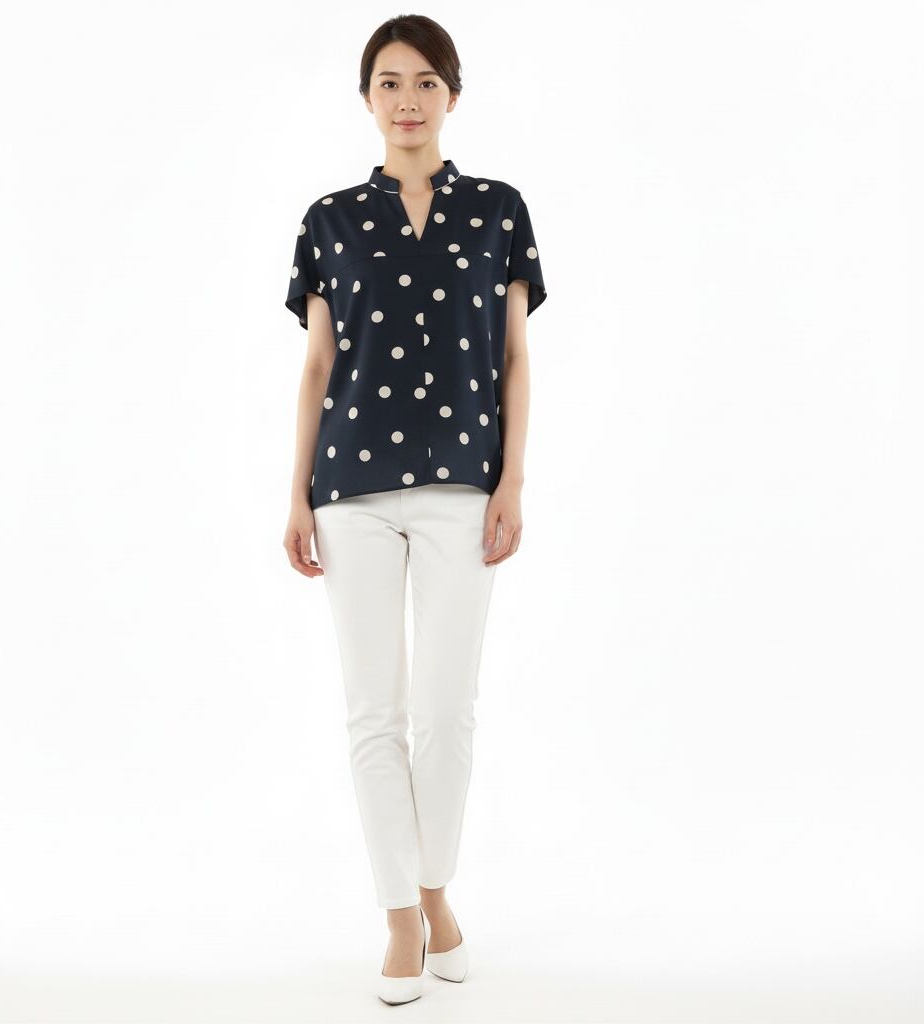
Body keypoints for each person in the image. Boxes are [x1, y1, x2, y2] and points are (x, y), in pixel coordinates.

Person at [282, 14, 547, 1005]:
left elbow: (514, 357)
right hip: (350, 492)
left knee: (445, 713)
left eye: (425, 82)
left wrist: (511, 480)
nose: (406, 99)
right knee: (373, 711)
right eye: (389, 82)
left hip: (461, 489)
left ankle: (435, 890)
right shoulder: (329, 219)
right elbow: (318, 365)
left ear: (452, 95)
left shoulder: (499, 210)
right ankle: (405, 915)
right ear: (366, 98)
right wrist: (297, 492)